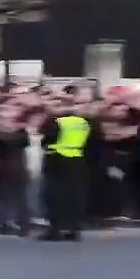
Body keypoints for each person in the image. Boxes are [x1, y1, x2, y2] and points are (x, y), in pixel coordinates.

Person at [39, 102, 95, 241]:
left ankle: (55, 229)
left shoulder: (57, 122)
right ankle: (74, 229)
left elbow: (46, 140)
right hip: (77, 159)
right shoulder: (84, 122)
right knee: (75, 196)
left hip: (57, 159)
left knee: (55, 195)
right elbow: (91, 142)